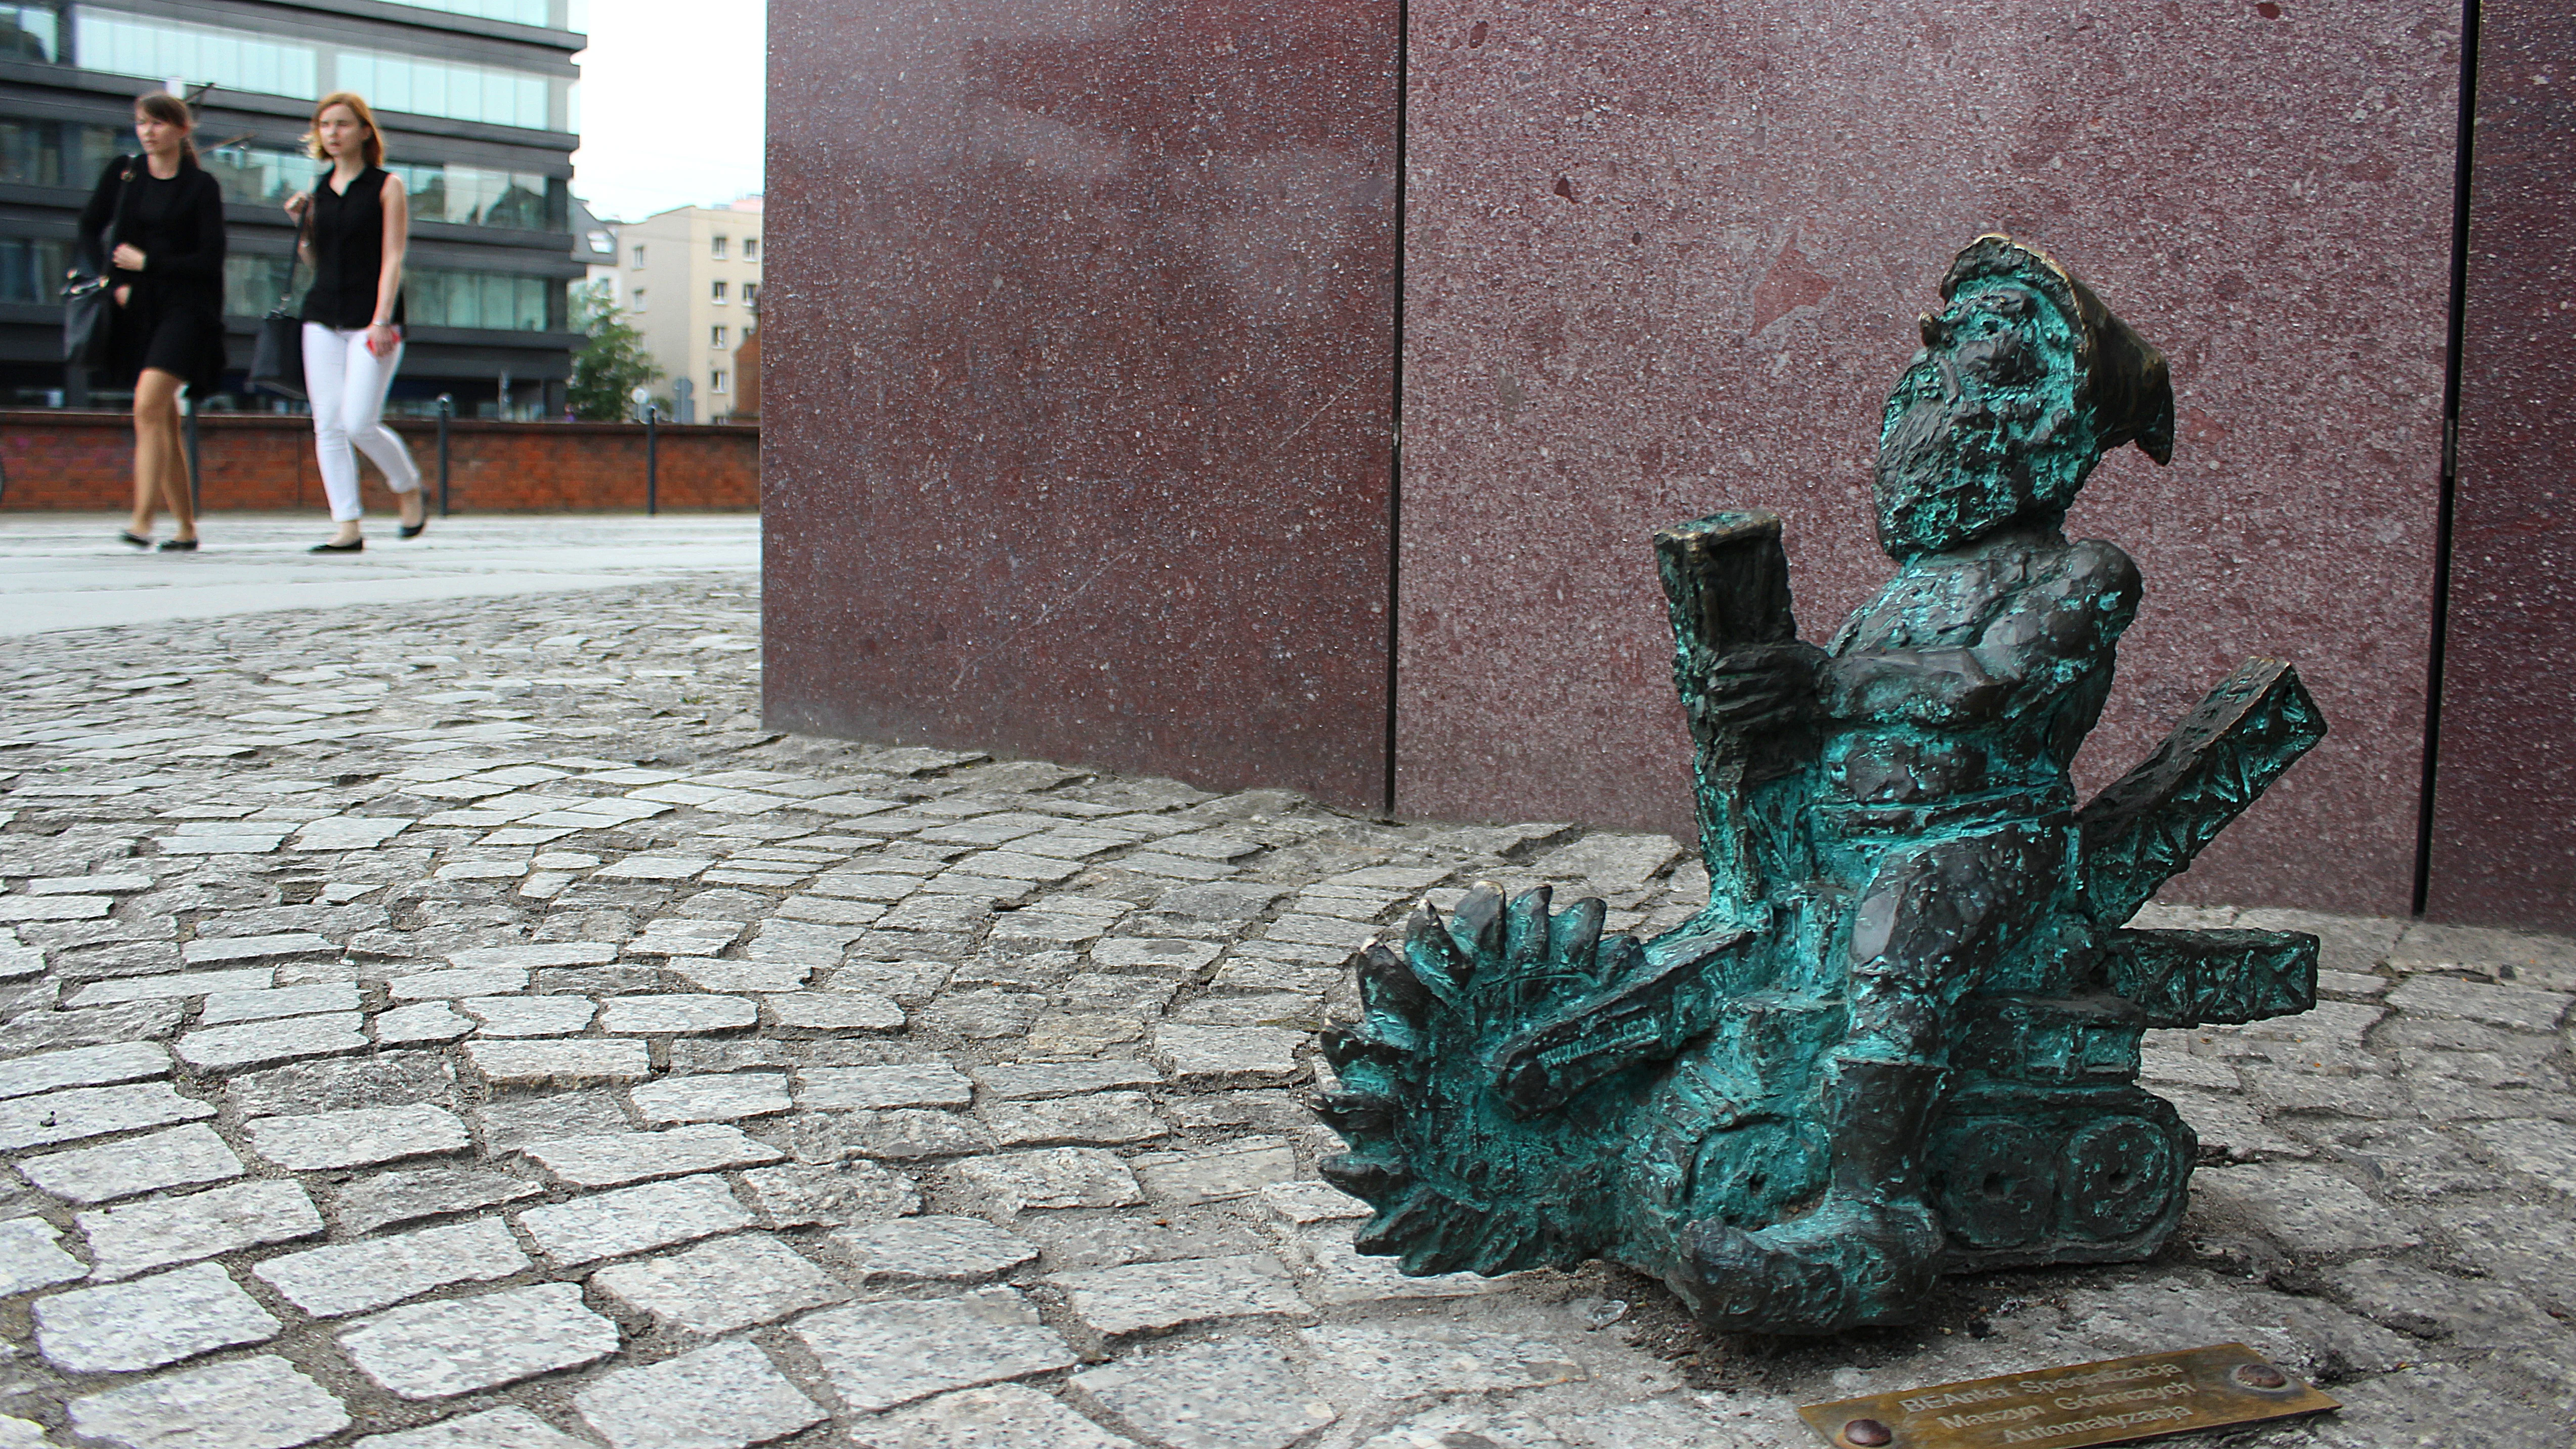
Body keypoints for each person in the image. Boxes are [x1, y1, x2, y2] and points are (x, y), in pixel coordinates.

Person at [78, 92, 224, 552]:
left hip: (188, 309)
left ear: (182, 130)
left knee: (147, 405)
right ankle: (186, 527)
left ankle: (141, 521)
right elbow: (89, 228)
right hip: (138, 308)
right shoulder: (125, 174)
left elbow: (209, 259)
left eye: (158, 123)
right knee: (163, 418)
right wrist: (110, 281)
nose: (147, 131)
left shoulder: (201, 187)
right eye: (142, 122)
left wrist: (149, 262)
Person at [284, 92, 424, 553]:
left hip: (373, 319)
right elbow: (315, 262)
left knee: (359, 421)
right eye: (325, 126)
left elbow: (393, 257)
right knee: (327, 423)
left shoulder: (388, 186)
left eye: (342, 124)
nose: (333, 133)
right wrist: (302, 228)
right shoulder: (317, 193)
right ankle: (347, 524)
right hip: (322, 316)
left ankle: (406, 487)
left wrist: (382, 319)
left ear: (364, 131)